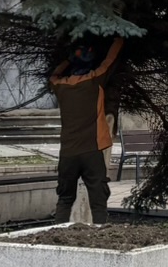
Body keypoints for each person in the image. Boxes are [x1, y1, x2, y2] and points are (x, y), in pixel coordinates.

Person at [48, 36, 123, 223]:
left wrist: (67, 59)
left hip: (68, 153)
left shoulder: (60, 86)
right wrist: (119, 39)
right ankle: (100, 232)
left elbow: (54, 75)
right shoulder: (95, 81)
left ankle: (58, 232)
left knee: (65, 199)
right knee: (98, 200)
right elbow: (110, 61)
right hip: (92, 151)